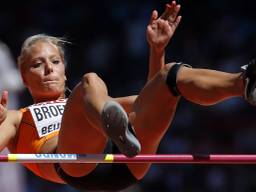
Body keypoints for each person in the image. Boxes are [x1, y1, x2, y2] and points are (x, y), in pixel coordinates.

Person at [0, 1, 255, 191]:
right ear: (23, 77)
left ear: (65, 71)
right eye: (37, 64)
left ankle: (244, 83)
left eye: (55, 61)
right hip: (77, 165)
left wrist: (157, 50)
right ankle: (114, 130)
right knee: (90, 82)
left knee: (170, 75)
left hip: (127, 162)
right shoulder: (16, 117)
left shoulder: (87, 100)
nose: (48, 69)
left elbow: (147, 102)